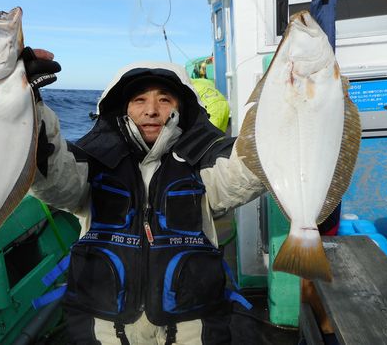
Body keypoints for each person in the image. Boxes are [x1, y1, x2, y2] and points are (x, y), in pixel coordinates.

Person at [22, 48, 265, 345]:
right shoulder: (90, 163)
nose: (151, 110)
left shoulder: (206, 162)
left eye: (164, 99)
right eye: (139, 100)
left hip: (192, 327)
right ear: (122, 108)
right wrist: (26, 105)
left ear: (182, 108)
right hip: (103, 329)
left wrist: (284, 112)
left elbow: (248, 172)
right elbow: (53, 178)